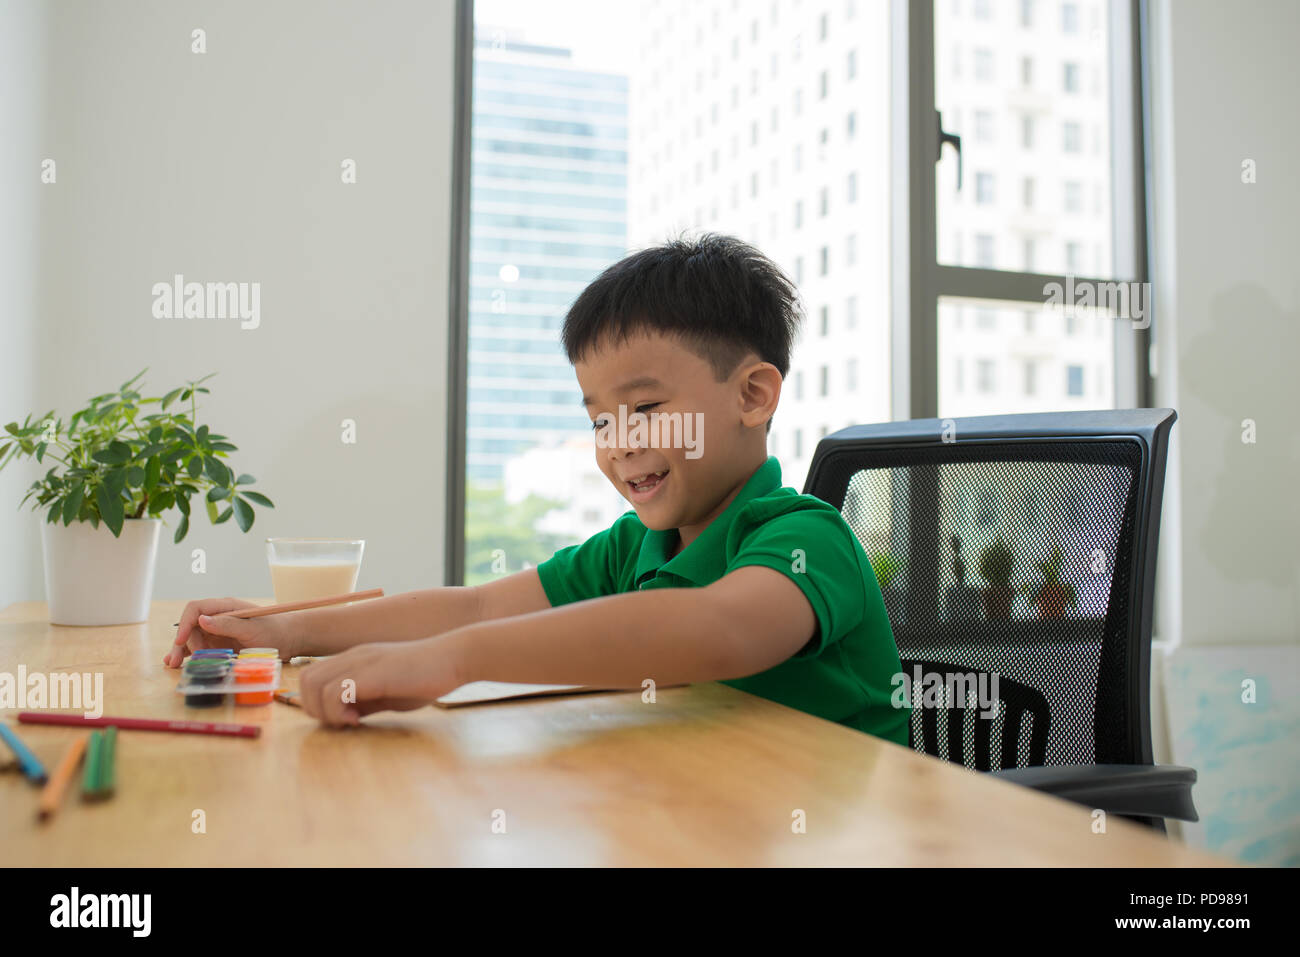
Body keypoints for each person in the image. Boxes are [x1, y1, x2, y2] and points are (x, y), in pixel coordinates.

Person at [167, 234, 909, 745]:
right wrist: (285, 628)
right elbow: (480, 602)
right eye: (598, 420)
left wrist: (455, 660)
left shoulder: (809, 538)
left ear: (752, 395)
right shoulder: (637, 547)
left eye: (645, 409)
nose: (618, 444)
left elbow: (717, 629)